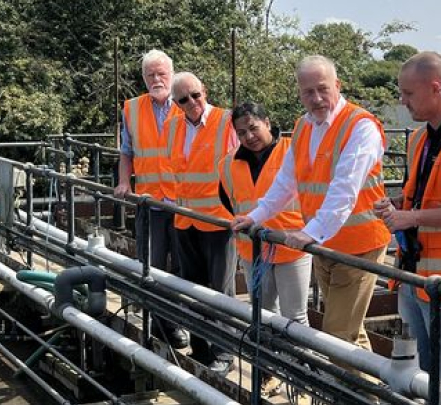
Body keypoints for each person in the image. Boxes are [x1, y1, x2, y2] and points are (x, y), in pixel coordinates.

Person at [232, 55, 391, 358]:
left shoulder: (361, 127)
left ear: (338, 86)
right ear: (299, 93)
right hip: (325, 244)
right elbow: (285, 182)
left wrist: (310, 232)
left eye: (322, 89)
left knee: (338, 335)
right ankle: (373, 388)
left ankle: (348, 390)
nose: (316, 98)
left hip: (358, 245)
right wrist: (255, 217)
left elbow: (345, 189)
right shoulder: (304, 127)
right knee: (350, 332)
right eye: (308, 92)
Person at [374, 51, 441, 394]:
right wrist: (397, 206)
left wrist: (411, 216)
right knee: (419, 366)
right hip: (413, 271)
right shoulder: (420, 139)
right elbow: (423, 195)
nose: (402, 101)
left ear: (437, 88)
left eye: (408, 93)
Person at [161, 71, 239, 375]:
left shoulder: (226, 121)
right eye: (183, 99)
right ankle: (201, 348)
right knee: (192, 288)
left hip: (219, 220)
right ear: (175, 102)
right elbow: (173, 171)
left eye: (195, 95)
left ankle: (224, 352)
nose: (192, 102)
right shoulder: (172, 127)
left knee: (221, 291)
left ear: (204, 91)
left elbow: (241, 166)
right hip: (186, 219)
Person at [114, 49, 185, 349]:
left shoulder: (186, 103)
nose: (156, 79)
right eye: (150, 75)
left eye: (161, 74)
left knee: (182, 268)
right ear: (143, 78)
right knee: (151, 266)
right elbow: (126, 152)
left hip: (183, 203)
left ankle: (179, 323)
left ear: (172, 74)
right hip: (149, 200)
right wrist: (123, 182)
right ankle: (161, 324)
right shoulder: (132, 108)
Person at [218, 102, 312, 327]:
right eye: (242, 133)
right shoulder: (228, 163)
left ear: (267, 123)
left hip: (291, 247)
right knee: (263, 314)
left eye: (253, 128)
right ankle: (268, 352)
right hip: (253, 249)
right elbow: (227, 200)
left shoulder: (293, 151)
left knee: (295, 317)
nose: (249, 137)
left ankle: (295, 353)